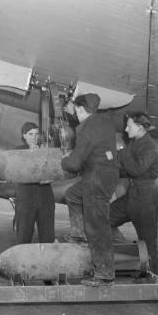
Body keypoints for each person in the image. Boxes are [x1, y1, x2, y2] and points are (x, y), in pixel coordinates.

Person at [61, 93, 119, 286]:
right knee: (73, 195)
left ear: (79, 109)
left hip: (96, 178)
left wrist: (65, 160)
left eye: (75, 109)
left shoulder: (85, 129)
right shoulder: (104, 122)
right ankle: (78, 232)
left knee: (97, 225)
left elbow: (75, 164)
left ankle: (104, 273)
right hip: (108, 174)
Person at [110, 112, 158, 281]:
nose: (125, 129)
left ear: (140, 127)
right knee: (104, 218)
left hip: (146, 198)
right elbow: (126, 170)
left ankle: (154, 278)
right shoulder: (135, 143)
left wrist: (122, 152)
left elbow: (136, 169)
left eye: (129, 126)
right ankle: (126, 259)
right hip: (133, 194)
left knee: (148, 242)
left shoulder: (150, 148)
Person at [14, 122, 55, 244]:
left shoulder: (46, 151)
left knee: (47, 235)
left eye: (36, 134)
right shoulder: (18, 151)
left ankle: (46, 261)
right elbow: (17, 172)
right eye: (31, 134)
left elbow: (53, 172)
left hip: (45, 196)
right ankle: (21, 261)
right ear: (24, 135)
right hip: (26, 197)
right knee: (23, 234)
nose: (34, 137)